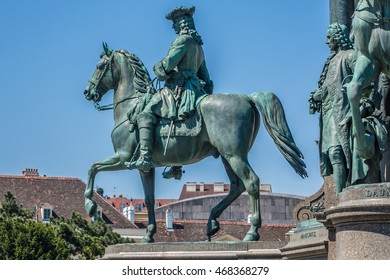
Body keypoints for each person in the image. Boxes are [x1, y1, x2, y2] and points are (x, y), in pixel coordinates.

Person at [127, 6, 213, 173]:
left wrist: (158, 67)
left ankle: (145, 157)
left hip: (180, 88)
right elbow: (206, 78)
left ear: (180, 24)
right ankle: (176, 166)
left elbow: (168, 66)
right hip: (197, 90)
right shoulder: (198, 46)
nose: (172, 27)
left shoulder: (182, 41)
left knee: (146, 113)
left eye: (174, 23)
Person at [309, 23, 355, 194]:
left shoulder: (350, 56)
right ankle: (339, 194)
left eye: (329, 37)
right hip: (328, 116)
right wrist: (316, 96)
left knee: (336, 152)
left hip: (342, 113)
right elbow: (327, 88)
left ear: (338, 37)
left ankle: (341, 194)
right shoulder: (330, 61)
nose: (327, 41)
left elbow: (362, 83)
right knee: (330, 154)